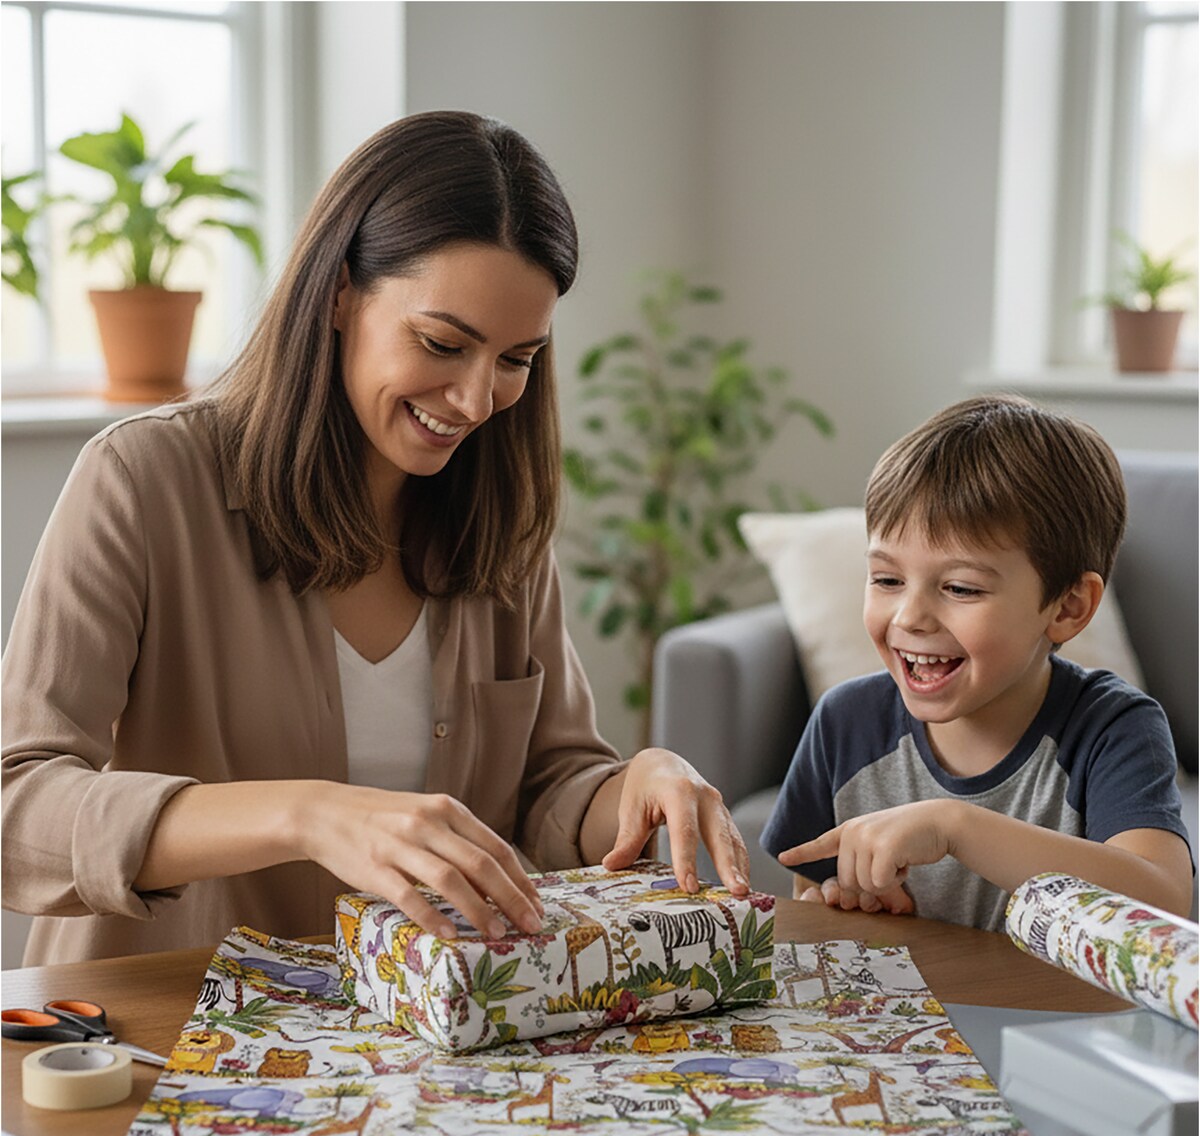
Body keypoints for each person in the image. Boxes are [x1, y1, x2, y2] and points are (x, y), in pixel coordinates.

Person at [2, 111, 750, 966]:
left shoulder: (499, 518)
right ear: (337, 294)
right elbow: (18, 803)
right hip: (166, 1014)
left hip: (424, 1028)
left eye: (516, 360)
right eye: (443, 343)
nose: (476, 401)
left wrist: (637, 784)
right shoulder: (144, 480)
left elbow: (553, 784)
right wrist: (307, 814)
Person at [761, 394, 1193, 931]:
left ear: (1068, 607)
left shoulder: (1114, 729)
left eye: (961, 588)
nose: (910, 617)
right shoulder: (844, 723)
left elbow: (1162, 902)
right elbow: (807, 899)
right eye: (887, 579)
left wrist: (956, 827)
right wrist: (841, 904)